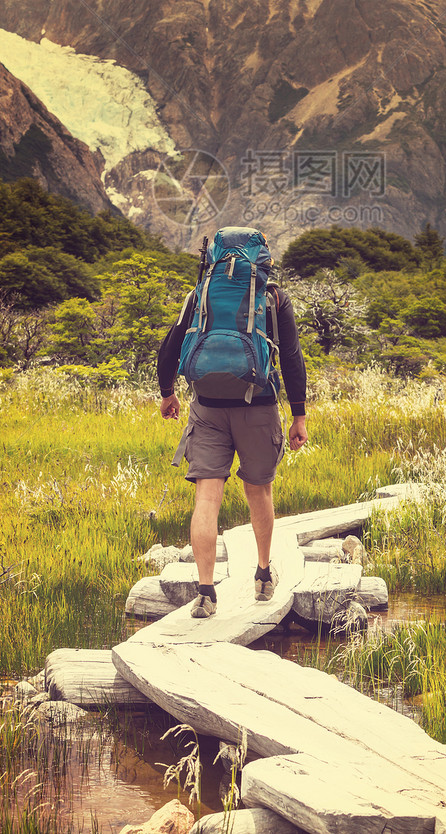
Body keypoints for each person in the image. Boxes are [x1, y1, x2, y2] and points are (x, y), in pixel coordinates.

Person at [158, 232, 308, 619]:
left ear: (213, 256)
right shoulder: (273, 298)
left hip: (206, 405)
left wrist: (167, 392)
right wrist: (299, 414)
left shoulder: (200, 293)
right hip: (258, 406)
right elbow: (291, 357)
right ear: (262, 259)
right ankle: (262, 575)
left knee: (207, 497)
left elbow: (171, 345)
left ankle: (206, 592)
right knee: (259, 492)